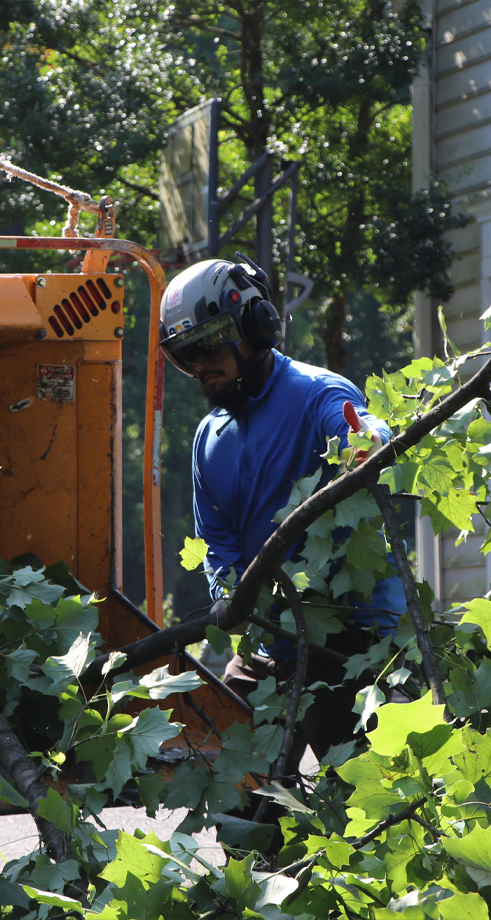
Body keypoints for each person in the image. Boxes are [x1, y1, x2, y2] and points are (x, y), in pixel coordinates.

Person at [159, 255, 405, 768]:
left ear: (254, 325)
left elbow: (361, 431)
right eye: (186, 356)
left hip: (351, 638)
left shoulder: (319, 393)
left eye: (207, 345)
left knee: (365, 801)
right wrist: (232, 599)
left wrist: (368, 441)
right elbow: (217, 542)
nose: (200, 365)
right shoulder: (209, 438)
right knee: (237, 791)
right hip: (269, 641)